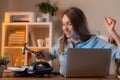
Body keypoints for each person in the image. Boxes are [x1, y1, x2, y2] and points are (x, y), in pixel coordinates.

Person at [41, 7, 120, 76]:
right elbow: (50, 56)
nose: (65, 28)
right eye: (63, 24)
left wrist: (113, 32)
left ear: (79, 24)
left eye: (69, 24)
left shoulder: (95, 42)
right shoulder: (61, 41)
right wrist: (43, 55)